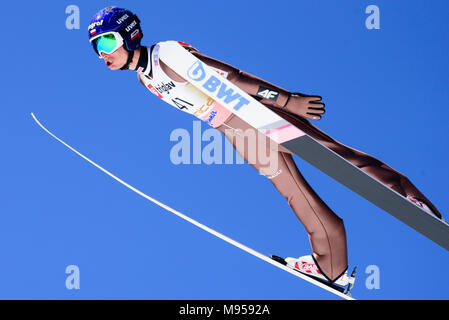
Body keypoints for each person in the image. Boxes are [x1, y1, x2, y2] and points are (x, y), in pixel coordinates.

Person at [88, 6, 442, 287]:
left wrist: (287, 101)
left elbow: (230, 77)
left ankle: (410, 198)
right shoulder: (144, 78)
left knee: (334, 156)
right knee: (293, 192)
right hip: (233, 130)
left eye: (105, 43)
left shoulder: (166, 53)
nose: (102, 55)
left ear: (129, 35)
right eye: (96, 48)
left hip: (252, 112)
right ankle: (331, 266)